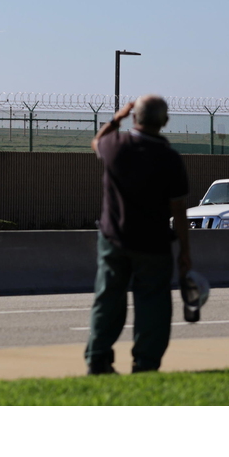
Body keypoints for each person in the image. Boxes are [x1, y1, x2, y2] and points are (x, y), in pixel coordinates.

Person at [85, 94, 192, 375]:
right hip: (153, 244)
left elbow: (96, 142)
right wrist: (185, 251)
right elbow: (178, 209)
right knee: (153, 306)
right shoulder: (170, 158)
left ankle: (98, 360)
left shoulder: (114, 145)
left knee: (108, 299)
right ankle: (145, 364)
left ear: (134, 117)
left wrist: (115, 119)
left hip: (113, 239)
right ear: (165, 122)